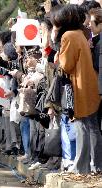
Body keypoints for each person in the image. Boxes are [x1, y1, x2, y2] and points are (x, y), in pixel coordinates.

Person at [50, 4, 102, 174]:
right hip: (90, 83)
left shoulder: (68, 36)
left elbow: (66, 64)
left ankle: (81, 166)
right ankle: (93, 165)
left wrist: (58, 54)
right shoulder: (80, 33)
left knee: (81, 127)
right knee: (91, 126)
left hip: (79, 86)